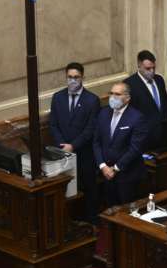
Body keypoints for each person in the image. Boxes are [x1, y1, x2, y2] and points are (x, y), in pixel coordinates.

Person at [49, 62, 100, 221]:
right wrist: (62, 145)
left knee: (89, 190)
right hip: (63, 154)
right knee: (67, 190)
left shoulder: (92, 100)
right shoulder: (58, 97)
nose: (72, 81)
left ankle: (91, 222)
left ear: (82, 78)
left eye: (76, 77)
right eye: (70, 77)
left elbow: (90, 129)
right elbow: (53, 124)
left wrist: (73, 145)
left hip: (84, 154)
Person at [93, 82, 149, 208]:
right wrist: (103, 166)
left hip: (128, 176)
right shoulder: (103, 113)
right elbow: (96, 142)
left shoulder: (137, 118)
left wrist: (116, 168)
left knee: (129, 213)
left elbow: (135, 148)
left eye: (117, 94)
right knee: (111, 211)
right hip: (106, 174)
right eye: (111, 93)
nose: (113, 97)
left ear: (127, 98)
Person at [124, 49, 167, 149]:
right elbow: (129, 116)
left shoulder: (159, 80)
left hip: (163, 138)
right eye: (148, 68)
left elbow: (165, 107)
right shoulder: (129, 84)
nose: (152, 71)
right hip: (144, 140)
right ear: (139, 66)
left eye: (154, 68)